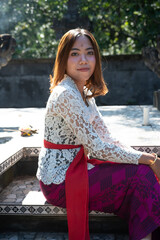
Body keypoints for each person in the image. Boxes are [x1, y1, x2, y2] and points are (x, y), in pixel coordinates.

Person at [36, 28, 160, 240]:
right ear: (63, 59)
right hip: (61, 182)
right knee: (141, 176)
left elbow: (108, 138)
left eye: (89, 52)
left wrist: (143, 159)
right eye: (74, 53)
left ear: (96, 58)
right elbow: (98, 148)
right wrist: (149, 159)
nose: (83, 59)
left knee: (144, 174)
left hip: (79, 169)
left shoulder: (83, 91)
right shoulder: (65, 94)